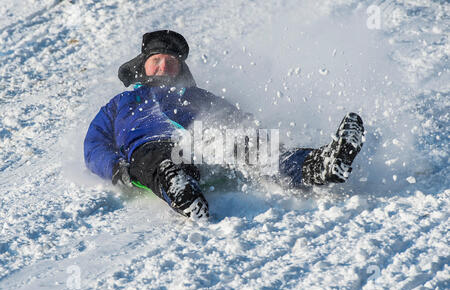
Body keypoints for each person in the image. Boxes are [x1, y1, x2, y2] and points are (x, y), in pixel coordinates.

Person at [84, 30, 365, 219]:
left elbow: (236, 120)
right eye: (156, 60)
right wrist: (115, 169)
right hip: (152, 149)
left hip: (203, 143)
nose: (163, 67)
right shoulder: (120, 102)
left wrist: (252, 139)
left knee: (248, 147)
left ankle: (319, 165)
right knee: (155, 160)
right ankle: (180, 191)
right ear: (144, 65)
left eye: (171, 62)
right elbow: (95, 144)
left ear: (181, 69)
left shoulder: (196, 95)